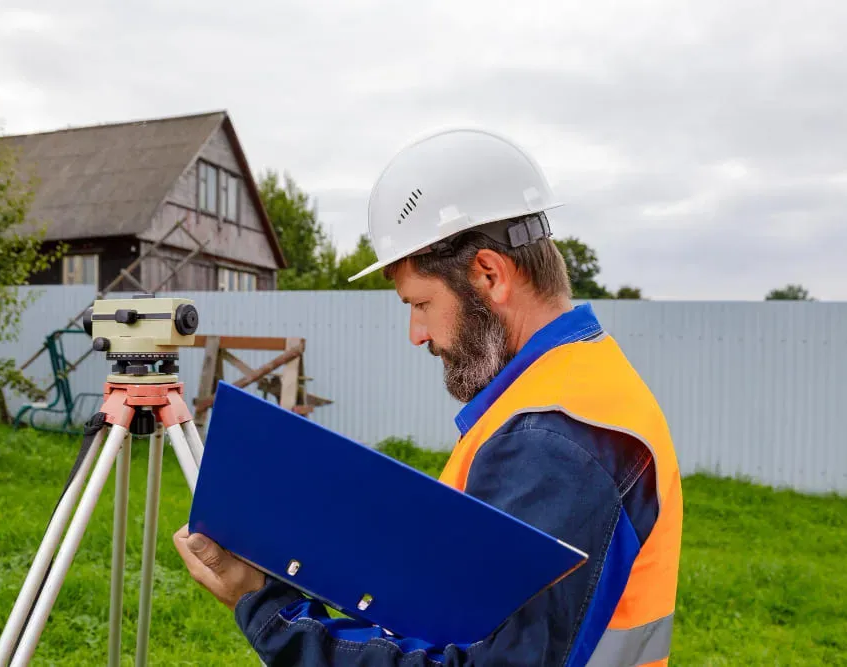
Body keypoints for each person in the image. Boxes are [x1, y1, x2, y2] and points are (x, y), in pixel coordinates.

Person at [173, 128, 684, 666]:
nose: (416, 334)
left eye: (420, 303)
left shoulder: (553, 438)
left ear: (489, 274)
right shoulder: (578, 384)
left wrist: (267, 610)